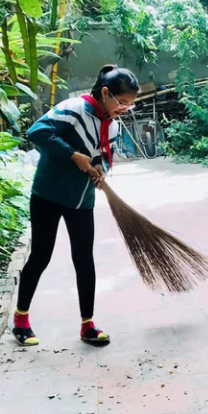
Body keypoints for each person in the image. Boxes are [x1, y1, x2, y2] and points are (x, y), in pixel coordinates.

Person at [10, 65, 140, 347]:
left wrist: (99, 169)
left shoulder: (113, 125)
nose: (124, 109)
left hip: (82, 201)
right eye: (122, 102)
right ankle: (21, 320)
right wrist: (74, 156)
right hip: (48, 194)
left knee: (84, 258)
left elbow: (105, 156)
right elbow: (38, 132)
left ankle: (88, 325)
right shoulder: (73, 109)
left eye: (130, 105)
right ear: (105, 93)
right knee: (41, 255)